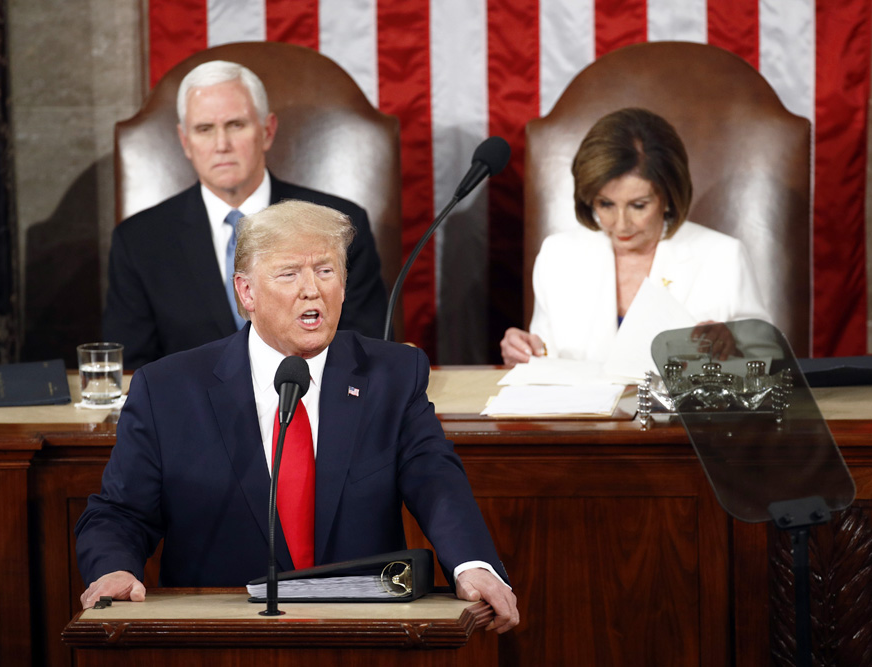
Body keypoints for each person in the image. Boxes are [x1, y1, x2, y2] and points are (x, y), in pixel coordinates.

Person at [77, 200, 519, 633]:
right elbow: (120, 512)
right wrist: (114, 570)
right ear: (246, 292)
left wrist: (471, 562)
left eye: (325, 271)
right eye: (289, 274)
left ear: (344, 285)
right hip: (220, 636)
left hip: (362, 634)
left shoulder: (393, 376)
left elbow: (435, 479)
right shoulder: (168, 389)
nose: (313, 289)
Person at [104, 60, 388, 369]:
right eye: (204, 129)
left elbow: (366, 350)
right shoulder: (140, 240)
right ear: (185, 142)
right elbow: (133, 368)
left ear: (267, 131)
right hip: (192, 413)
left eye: (235, 125)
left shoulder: (338, 224)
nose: (221, 145)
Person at [501, 108, 771, 366]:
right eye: (605, 204)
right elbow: (546, 357)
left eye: (638, 205)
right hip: (584, 415)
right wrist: (524, 351)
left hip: (678, 415)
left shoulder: (722, 257)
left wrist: (733, 346)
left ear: (668, 197)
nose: (620, 224)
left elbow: (770, 363)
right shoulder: (558, 255)